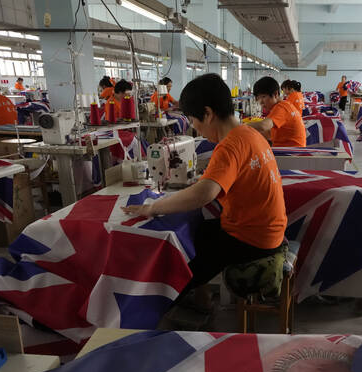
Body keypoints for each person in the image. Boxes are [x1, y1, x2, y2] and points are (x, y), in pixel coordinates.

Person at [122, 73, 286, 309]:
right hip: (267, 232)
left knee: (178, 268)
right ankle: (202, 299)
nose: (194, 128)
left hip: (251, 241)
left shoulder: (229, 145)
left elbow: (203, 194)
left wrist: (153, 207)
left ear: (208, 114)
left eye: (193, 120)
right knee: (195, 233)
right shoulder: (251, 134)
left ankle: (164, 310)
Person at [248, 76, 306, 147]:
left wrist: (239, 126)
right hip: (293, 151)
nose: (261, 102)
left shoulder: (281, 107)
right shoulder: (284, 105)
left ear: (275, 94)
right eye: (258, 98)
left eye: (263, 97)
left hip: (291, 154)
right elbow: (269, 134)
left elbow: (263, 126)